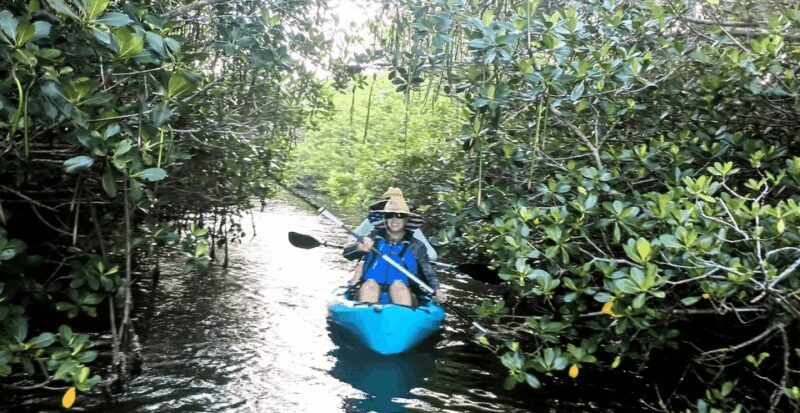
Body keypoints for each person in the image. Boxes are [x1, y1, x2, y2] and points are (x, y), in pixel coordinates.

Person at [343, 188, 447, 305]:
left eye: (400, 215)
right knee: (370, 284)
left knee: (398, 285)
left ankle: (401, 315)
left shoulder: (416, 245)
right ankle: (367, 312)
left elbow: (428, 271)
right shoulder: (372, 239)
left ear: (407, 219)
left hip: (403, 291)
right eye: (389, 215)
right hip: (369, 290)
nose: (394, 219)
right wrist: (359, 248)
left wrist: (437, 289)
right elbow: (347, 254)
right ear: (385, 218)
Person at [351, 188, 438, 261]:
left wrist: (412, 259)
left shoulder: (411, 227)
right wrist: (362, 247)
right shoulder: (370, 222)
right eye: (389, 213)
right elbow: (353, 237)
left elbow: (432, 254)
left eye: (399, 214)